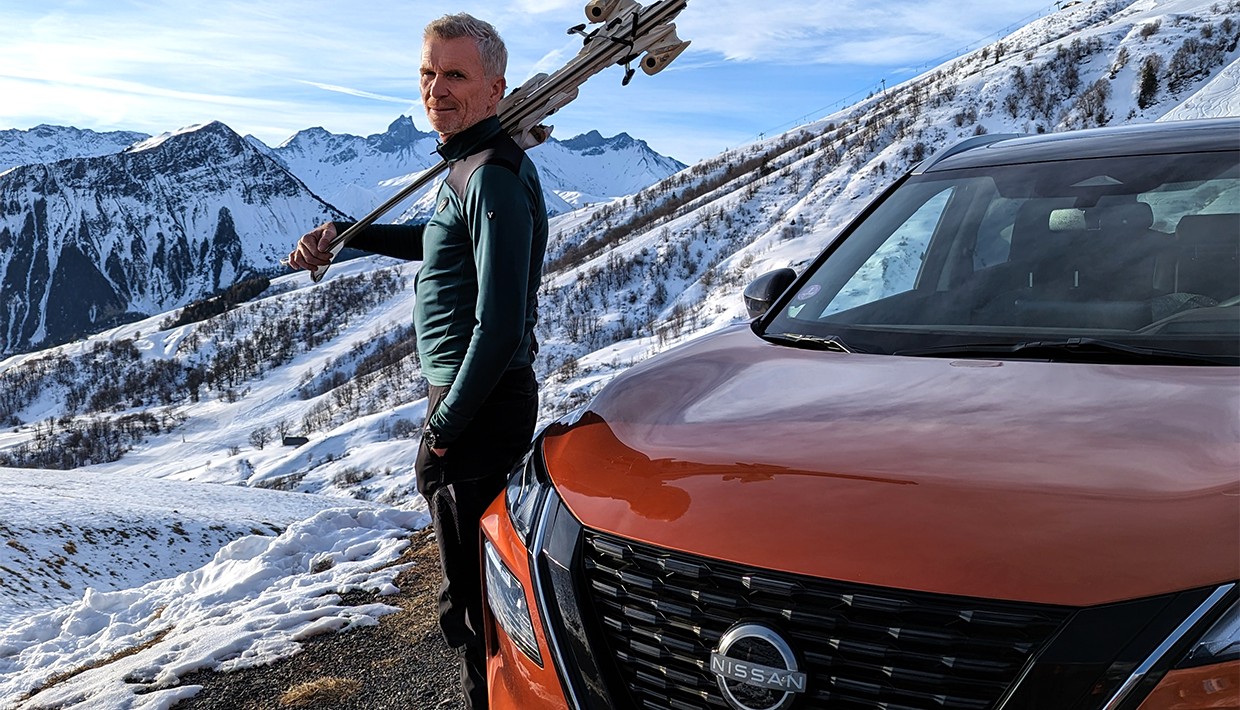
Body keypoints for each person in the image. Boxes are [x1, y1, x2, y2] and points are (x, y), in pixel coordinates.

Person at [286, 13, 547, 710]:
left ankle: (489, 700)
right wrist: (349, 235)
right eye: (429, 73)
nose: (437, 88)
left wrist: (445, 427)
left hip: (480, 400)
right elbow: (439, 240)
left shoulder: (489, 175)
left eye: (455, 74)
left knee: (473, 596)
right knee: (470, 585)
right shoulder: (463, 162)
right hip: (469, 398)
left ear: (495, 90)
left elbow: (500, 325)